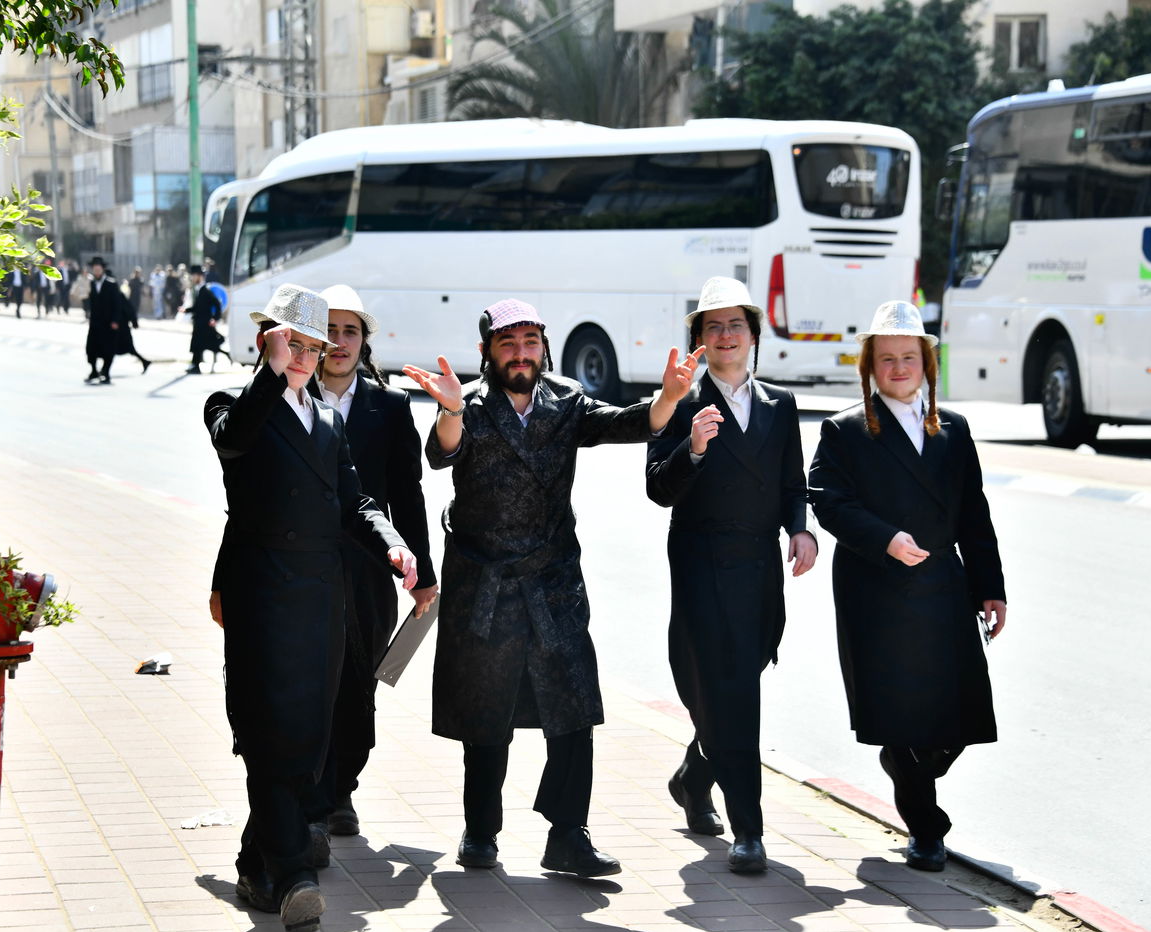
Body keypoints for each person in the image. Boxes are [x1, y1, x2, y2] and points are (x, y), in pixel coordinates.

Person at [402, 299, 703, 878]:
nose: (521, 353)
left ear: (544, 346)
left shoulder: (566, 401)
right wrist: (448, 411)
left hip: (553, 579)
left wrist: (669, 397)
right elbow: (444, 452)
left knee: (573, 706)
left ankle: (568, 833)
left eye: (530, 341)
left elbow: (628, 423)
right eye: (508, 343)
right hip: (485, 582)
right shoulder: (467, 404)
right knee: (485, 713)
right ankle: (480, 830)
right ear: (487, 351)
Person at [205, 283, 417, 930]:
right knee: (268, 732)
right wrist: (269, 375)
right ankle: (295, 870)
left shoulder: (327, 420)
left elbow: (354, 499)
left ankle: (252, 863)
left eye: (309, 344)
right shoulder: (233, 404)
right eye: (288, 341)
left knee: (306, 737)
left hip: (323, 599)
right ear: (267, 340)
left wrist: (391, 545)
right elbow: (235, 439)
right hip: (261, 597)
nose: (300, 355)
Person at [807, 299, 1006, 873]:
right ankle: (926, 828)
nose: (898, 368)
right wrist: (887, 539)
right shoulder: (844, 430)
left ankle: (909, 768)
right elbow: (830, 504)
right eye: (887, 359)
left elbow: (975, 513)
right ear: (870, 365)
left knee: (960, 712)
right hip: (877, 590)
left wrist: (991, 588)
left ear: (927, 364)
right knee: (897, 712)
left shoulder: (954, 429)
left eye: (909, 358)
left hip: (945, 584)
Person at [645, 276, 817, 874]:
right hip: (698, 567)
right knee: (719, 692)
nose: (724, 336)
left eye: (734, 324)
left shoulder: (780, 405)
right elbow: (656, 489)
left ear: (752, 335)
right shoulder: (678, 401)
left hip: (758, 571)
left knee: (735, 692)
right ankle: (748, 827)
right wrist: (690, 449)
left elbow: (795, 482)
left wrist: (801, 527)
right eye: (711, 326)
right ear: (698, 340)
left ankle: (701, 784)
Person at [308, 284, 438, 838]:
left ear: (365, 342)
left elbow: (407, 494)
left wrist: (422, 575)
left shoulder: (389, 407)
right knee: (309, 680)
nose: (339, 343)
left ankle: (340, 792)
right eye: (329, 331)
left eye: (350, 332)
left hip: (368, 570)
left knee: (358, 682)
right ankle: (307, 794)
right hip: (302, 568)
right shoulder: (290, 397)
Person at [83, 257, 127, 384]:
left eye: (98, 269)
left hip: (108, 323)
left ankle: (106, 372)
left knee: (108, 349)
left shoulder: (111, 284)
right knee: (91, 349)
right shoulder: (91, 284)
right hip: (95, 322)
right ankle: (93, 371)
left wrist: (115, 320)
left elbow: (117, 304)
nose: (96, 271)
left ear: (102, 270)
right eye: (94, 269)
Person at [186, 265, 224, 374]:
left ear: (199, 276)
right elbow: (198, 307)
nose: (192, 278)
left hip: (204, 323)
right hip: (199, 323)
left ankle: (196, 366)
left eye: (193, 276)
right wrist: (187, 310)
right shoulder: (199, 290)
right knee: (198, 344)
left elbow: (217, 304)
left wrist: (215, 318)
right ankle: (195, 365)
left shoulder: (205, 290)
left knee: (203, 344)